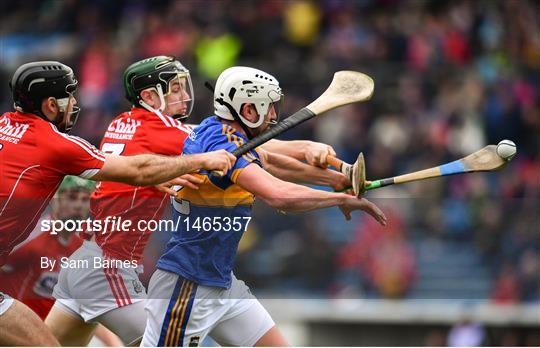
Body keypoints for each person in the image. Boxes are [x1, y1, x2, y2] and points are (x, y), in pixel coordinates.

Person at [46, 56, 351, 346]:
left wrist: (304, 150)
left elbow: (243, 147)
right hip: (109, 267)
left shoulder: (124, 122)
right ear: (150, 97)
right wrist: (312, 156)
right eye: (174, 88)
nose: (183, 95)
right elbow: (256, 155)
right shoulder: (162, 130)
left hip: (86, 260)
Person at [141, 67, 387, 347]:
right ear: (248, 109)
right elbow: (277, 194)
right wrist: (340, 199)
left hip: (221, 283)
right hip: (187, 287)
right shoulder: (221, 142)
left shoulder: (219, 129)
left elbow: (269, 159)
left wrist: (335, 178)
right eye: (268, 107)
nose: (273, 115)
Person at [0, 60, 235, 346]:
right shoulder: (56, 144)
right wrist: (202, 159)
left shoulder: (4, 124)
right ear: (51, 104)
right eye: (70, 96)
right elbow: (135, 170)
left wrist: (151, 179)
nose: (75, 103)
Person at [0, 176, 122, 346]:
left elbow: (85, 307)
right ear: (53, 200)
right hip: (18, 334)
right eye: (71, 197)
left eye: (85, 199)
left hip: (54, 335)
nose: (78, 205)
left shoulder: (87, 248)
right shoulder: (28, 236)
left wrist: (115, 344)